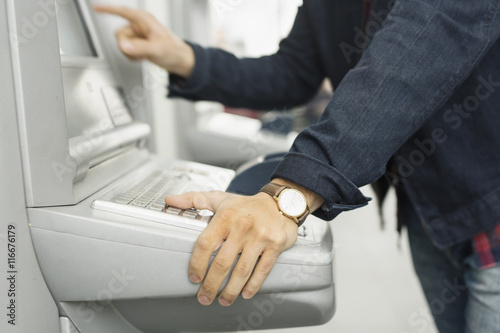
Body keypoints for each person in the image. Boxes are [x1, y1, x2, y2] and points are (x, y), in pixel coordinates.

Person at [95, 1, 500, 332]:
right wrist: (184, 57)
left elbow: (415, 54)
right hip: (432, 209)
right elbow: (291, 73)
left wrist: (284, 197)